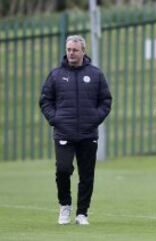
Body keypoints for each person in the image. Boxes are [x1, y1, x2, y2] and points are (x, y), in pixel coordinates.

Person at [39, 35, 112, 225]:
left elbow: (106, 101)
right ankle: (65, 206)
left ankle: (82, 213)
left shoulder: (95, 74)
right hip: (64, 132)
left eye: (75, 50)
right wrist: (55, 119)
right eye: (68, 49)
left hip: (88, 133)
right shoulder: (56, 75)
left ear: (83, 51)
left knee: (87, 174)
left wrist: (95, 119)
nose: (71, 53)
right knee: (63, 170)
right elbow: (45, 100)